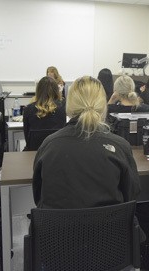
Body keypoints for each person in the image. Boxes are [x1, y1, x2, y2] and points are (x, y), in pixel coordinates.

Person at [32, 76, 140, 209]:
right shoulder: (120, 146)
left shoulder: (48, 145)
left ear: (70, 104)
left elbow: (38, 196)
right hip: (109, 228)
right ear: (102, 104)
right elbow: (131, 195)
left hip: (57, 229)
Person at [23, 76, 66, 149]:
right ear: (56, 90)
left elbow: (27, 137)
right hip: (57, 151)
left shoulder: (28, 109)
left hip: (34, 152)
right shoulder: (62, 108)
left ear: (38, 90)